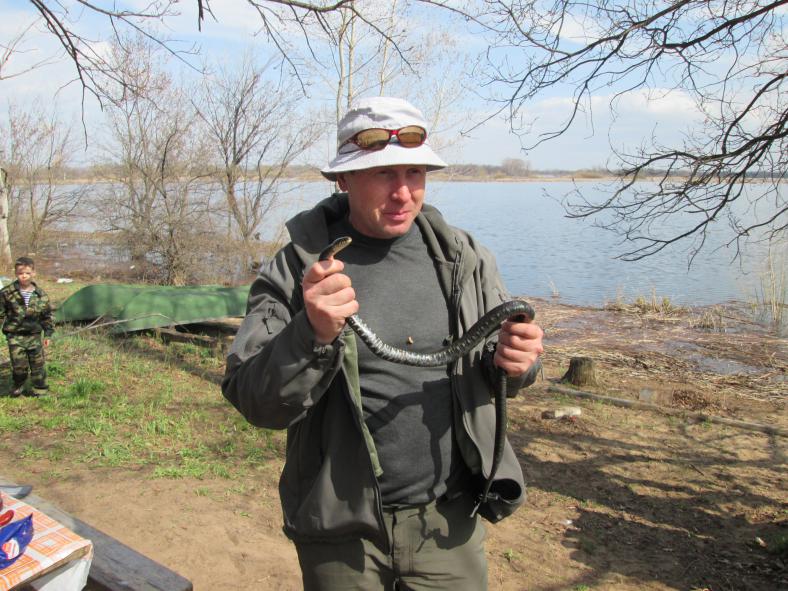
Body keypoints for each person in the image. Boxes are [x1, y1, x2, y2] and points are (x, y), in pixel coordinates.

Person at [223, 96, 544, 590]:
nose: (402, 193)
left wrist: (519, 363)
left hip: (449, 523)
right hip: (341, 535)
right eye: (383, 174)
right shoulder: (297, 268)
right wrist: (311, 333)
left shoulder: (464, 257)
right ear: (344, 179)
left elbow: (499, 366)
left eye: (414, 173)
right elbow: (254, 400)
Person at [0, 256, 54, 397]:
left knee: (38, 365)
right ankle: (18, 385)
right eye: (20, 273)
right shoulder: (6, 293)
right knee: (19, 366)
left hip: (34, 336)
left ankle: (40, 389)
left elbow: (46, 317)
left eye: (27, 273)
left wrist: (48, 334)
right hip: (15, 336)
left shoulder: (41, 295)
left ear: (33, 273)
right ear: (16, 273)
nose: (24, 276)